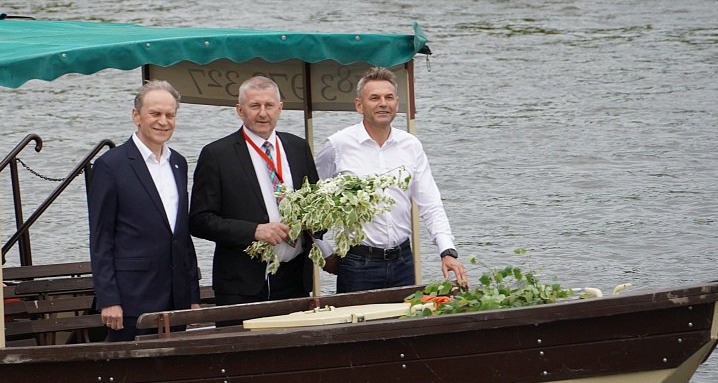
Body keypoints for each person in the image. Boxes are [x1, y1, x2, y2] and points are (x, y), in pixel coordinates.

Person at [315, 67, 469, 293]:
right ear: (359, 105)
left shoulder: (411, 146)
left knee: (406, 316)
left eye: (389, 97)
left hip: (403, 262)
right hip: (358, 263)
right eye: (374, 98)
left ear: (397, 103)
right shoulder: (338, 145)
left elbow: (431, 204)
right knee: (355, 318)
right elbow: (310, 204)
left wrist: (447, 251)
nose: (383, 104)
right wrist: (325, 253)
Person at [190, 76, 319, 304]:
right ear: (240, 110)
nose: (263, 113)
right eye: (254, 106)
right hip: (242, 283)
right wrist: (253, 231)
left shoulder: (298, 147)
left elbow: (316, 205)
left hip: (294, 277)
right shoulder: (217, 155)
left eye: (269, 105)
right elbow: (199, 220)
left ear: (280, 108)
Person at [87, 80, 201, 341]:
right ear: (136, 116)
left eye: (170, 115)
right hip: (131, 298)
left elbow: (181, 235)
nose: (163, 121)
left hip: (176, 297)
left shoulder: (179, 163)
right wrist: (109, 299)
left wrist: (192, 296)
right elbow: (101, 237)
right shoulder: (110, 165)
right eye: (155, 113)